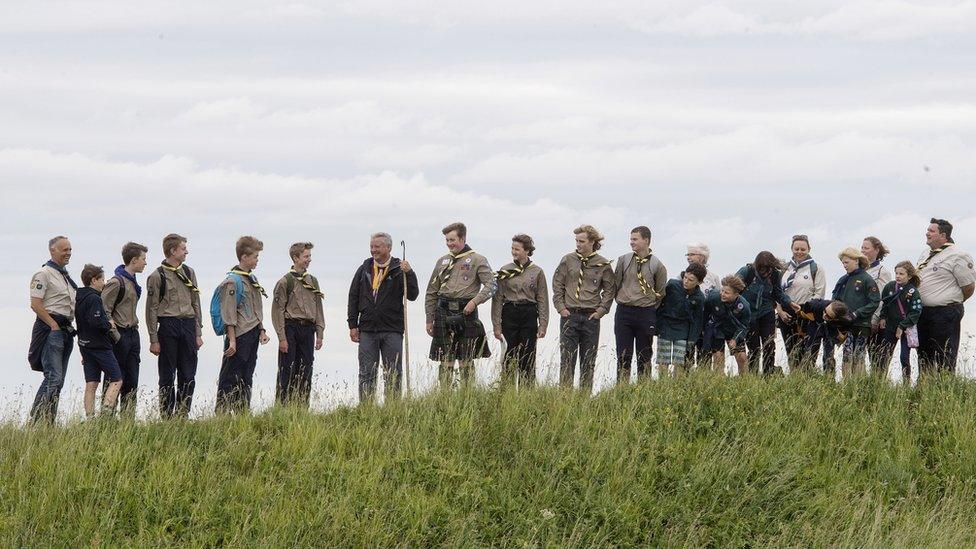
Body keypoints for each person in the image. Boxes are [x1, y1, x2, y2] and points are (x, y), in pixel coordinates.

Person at [348, 233, 419, 403]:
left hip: (392, 329)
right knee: (366, 371)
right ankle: (366, 409)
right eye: (372, 246)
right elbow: (353, 296)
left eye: (377, 246)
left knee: (393, 372)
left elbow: (413, 295)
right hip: (367, 330)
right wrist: (352, 325)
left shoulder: (399, 268)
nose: (373, 250)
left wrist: (409, 273)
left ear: (388, 247)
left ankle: (392, 407)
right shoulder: (364, 268)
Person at [425, 222, 495, 388]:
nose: (449, 244)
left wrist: (475, 301)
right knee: (445, 358)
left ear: (463, 238)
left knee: (465, 358)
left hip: (466, 311)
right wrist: (429, 318)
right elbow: (431, 291)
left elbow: (492, 285)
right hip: (443, 310)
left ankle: (467, 395)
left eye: (453, 240)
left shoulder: (478, 260)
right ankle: (444, 397)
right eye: (447, 240)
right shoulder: (442, 261)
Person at [145, 233, 203, 419]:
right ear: (172, 251)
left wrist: (198, 332)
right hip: (168, 325)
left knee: (188, 373)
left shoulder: (189, 272)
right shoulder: (157, 276)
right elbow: (151, 309)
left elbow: (196, 302)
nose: (187, 251)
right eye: (183, 248)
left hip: (187, 324)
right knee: (167, 374)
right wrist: (154, 339)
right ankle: (167, 415)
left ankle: (182, 414)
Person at [552, 225, 615, 394]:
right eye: (576, 241)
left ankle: (584, 398)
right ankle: (564, 398)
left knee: (588, 360)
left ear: (592, 242)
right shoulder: (567, 260)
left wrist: (601, 311)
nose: (578, 244)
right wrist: (560, 308)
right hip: (569, 315)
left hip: (590, 317)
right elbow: (557, 284)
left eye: (582, 241)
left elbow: (610, 290)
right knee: (567, 359)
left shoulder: (603, 264)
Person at [215, 236, 270, 413]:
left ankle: (242, 412)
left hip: (252, 332)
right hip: (239, 335)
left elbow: (256, 308)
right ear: (244, 257)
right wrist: (232, 340)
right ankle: (222, 413)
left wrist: (262, 330)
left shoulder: (251, 279)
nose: (257, 260)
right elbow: (229, 313)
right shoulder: (232, 281)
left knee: (247, 375)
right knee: (230, 376)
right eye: (254, 256)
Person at [27, 236, 78, 424]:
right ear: (52, 251)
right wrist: (53, 325)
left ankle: (49, 423)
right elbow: (36, 304)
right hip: (52, 328)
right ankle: (36, 420)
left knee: (59, 381)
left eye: (70, 249)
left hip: (66, 329)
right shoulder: (44, 273)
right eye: (64, 249)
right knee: (53, 377)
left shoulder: (65, 276)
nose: (68, 253)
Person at [916, 218, 976, 374]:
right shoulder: (925, 254)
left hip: (945, 312)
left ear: (943, 235)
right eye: (927, 230)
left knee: (944, 353)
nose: (927, 233)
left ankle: (945, 387)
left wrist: (950, 301)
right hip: (923, 312)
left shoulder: (958, 255)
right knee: (923, 354)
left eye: (931, 231)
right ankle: (925, 388)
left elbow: (969, 286)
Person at [491, 234, 549, 389]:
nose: (514, 252)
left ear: (527, 251)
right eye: (512, 248)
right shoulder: (505, 270)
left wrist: (543, 325)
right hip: (510, 312)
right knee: (509, 356)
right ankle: (507, 394)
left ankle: (527, 395)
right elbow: (497, 299)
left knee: (527, 356)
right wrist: (496, 325)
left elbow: (543, 299)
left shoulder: (537, 272)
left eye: (517, 249)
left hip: (529, 314)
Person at [272, 242, 325, 408]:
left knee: (306, 369)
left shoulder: (313, 281)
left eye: (310, 256)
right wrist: (282, 337)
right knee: (287, 369)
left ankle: (302, 408)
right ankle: (282, 407)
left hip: (308, 329)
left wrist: (320, 333)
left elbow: (318, 308)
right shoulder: (285, 282)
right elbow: (277, 311)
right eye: (306, 256)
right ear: (296, 258)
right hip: (290, 327)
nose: (309, 259)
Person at [613, 226, 667, 382]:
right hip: (624, 312)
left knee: (644, 355)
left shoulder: (658, 265)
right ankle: (621, 390)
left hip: (646, 313)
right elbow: (616, 283)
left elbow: (660, 292)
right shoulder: (623, 260)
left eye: (635, 239)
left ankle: (643, 388)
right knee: (623, 355)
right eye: (631, 239)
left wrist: (648, 306)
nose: (631, 242)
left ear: (646, 240)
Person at [102, 242, 148, 418]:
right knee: (114, 378)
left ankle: (128, 420)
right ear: (134, 260)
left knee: (131, 379)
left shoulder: (132, 282)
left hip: (132, 333)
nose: (145, 263)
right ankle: (107, 419)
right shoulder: (116, 282)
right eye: (143, 259)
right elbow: (103, 310)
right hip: (119, 334)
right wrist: (116, 335)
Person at [736, 252, 798, 375]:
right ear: (757, 266)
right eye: (762, 269)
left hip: (767, 312)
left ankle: (768, 375)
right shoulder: (747, 272)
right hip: (749, 314)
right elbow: (733, 288)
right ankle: (753, 376)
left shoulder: (775, 274)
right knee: (754, 348)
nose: (766, 272)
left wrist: (790, 303)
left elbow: (777, 293)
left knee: (769, 345)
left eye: (768, 269)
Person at [75, 264, 123, 418]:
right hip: (99, 346)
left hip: (84, 345)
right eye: (102, 279)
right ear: (93, 280)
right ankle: (106, 413)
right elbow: (95, 322)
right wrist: (108, 324)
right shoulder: (94, 298)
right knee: (116, 379)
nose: (104, 282)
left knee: (92, 383)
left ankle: (90, 418)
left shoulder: (79, 297)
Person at [777, 235, 826, 372]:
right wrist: (780, 312)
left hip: (807, 312)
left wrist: (806, 310)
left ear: (809, 249)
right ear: (791, 249)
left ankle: (807, 377)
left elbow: (819, 293)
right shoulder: (784, 269)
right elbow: (777, 292)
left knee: (808, 350)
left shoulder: (816, 268)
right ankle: (794, 378)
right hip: (787, 312)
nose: (799, 252)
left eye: (803, 249)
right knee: (791, 349)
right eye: (796, 249)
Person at [831, 247, 881, 380]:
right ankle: (847, 386)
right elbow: (835, 301)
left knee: (858, 357)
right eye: (843, 263)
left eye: (847, 262)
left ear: (856, 261)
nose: (844, 265)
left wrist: (857, 313)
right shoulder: (843, 280)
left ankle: (859, 385)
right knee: (846, 356)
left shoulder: (867, 279)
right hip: (845, 325)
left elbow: (874, 301)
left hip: (862, 325)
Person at [655, 263, 707, 377]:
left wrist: (692, 339)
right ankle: (662, 384)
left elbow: (698, 321)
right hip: (665, 326)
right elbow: (659, 303)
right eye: (685, 277)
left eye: (691, 280)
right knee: (663, 360)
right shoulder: (672, 285)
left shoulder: (699, 298)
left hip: (683, 329)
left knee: (679, 361)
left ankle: (676, 385)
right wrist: (656, 325)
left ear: (699, 282)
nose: (686, 281)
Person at [876, 261, 923, 383]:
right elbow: (885, 304)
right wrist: (882, 317)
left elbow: (916, 312)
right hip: (890, 327)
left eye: (901, 274)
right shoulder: (890, 287)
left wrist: (903, 326)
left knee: (904, 357)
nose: (898, 276)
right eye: (896, 273)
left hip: (905, 329)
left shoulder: (913, 292)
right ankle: (879, 382)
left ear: (909, 276)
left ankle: (906, 383)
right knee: (884, 355)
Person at [702, 275, 752, 375]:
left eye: (727, 293)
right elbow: (705, 314)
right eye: (722, 291)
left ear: (736, 294)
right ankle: (719, 381)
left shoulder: (744, 306)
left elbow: (744, 326)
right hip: (718, 329)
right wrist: (705, 329)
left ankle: (745, 381)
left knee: (741, 357)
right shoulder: (713, 297)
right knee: (718, 357)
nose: (723, 294)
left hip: (734, 330)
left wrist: (735, 339)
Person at [685, 242, 721, 368]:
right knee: (687, 354)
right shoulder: (682, 276)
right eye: (687, 254)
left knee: (704, 354)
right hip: (689, 320)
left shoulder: (713, 277)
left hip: (707, 322)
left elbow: (719, 299)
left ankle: (702, 381)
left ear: (702, 257)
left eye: (692, 254)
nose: (689, 257)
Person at [862, 236, 893, 374]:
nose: (863, 251)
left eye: (866, 248)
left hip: (873, 320)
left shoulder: (882, 272)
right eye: (862, 247)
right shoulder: (859, 271)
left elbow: (882, 298)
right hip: (859, 318)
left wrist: (875, 318)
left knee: (876, 356)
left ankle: (877, 385)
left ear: (876, 250)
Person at [794, 298, 851, 375]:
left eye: (828, 315)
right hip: (815, 323)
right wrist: (802, 329)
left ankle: (829, 377)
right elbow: (800, 311)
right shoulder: (815, 305)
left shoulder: (846, 319)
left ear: (837, 318)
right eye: (825, 312)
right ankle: (805, 375)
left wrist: (840, 336)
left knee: (829, 354)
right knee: (811, 350)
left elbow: (843, 334)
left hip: (832, 327)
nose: (824, 315)